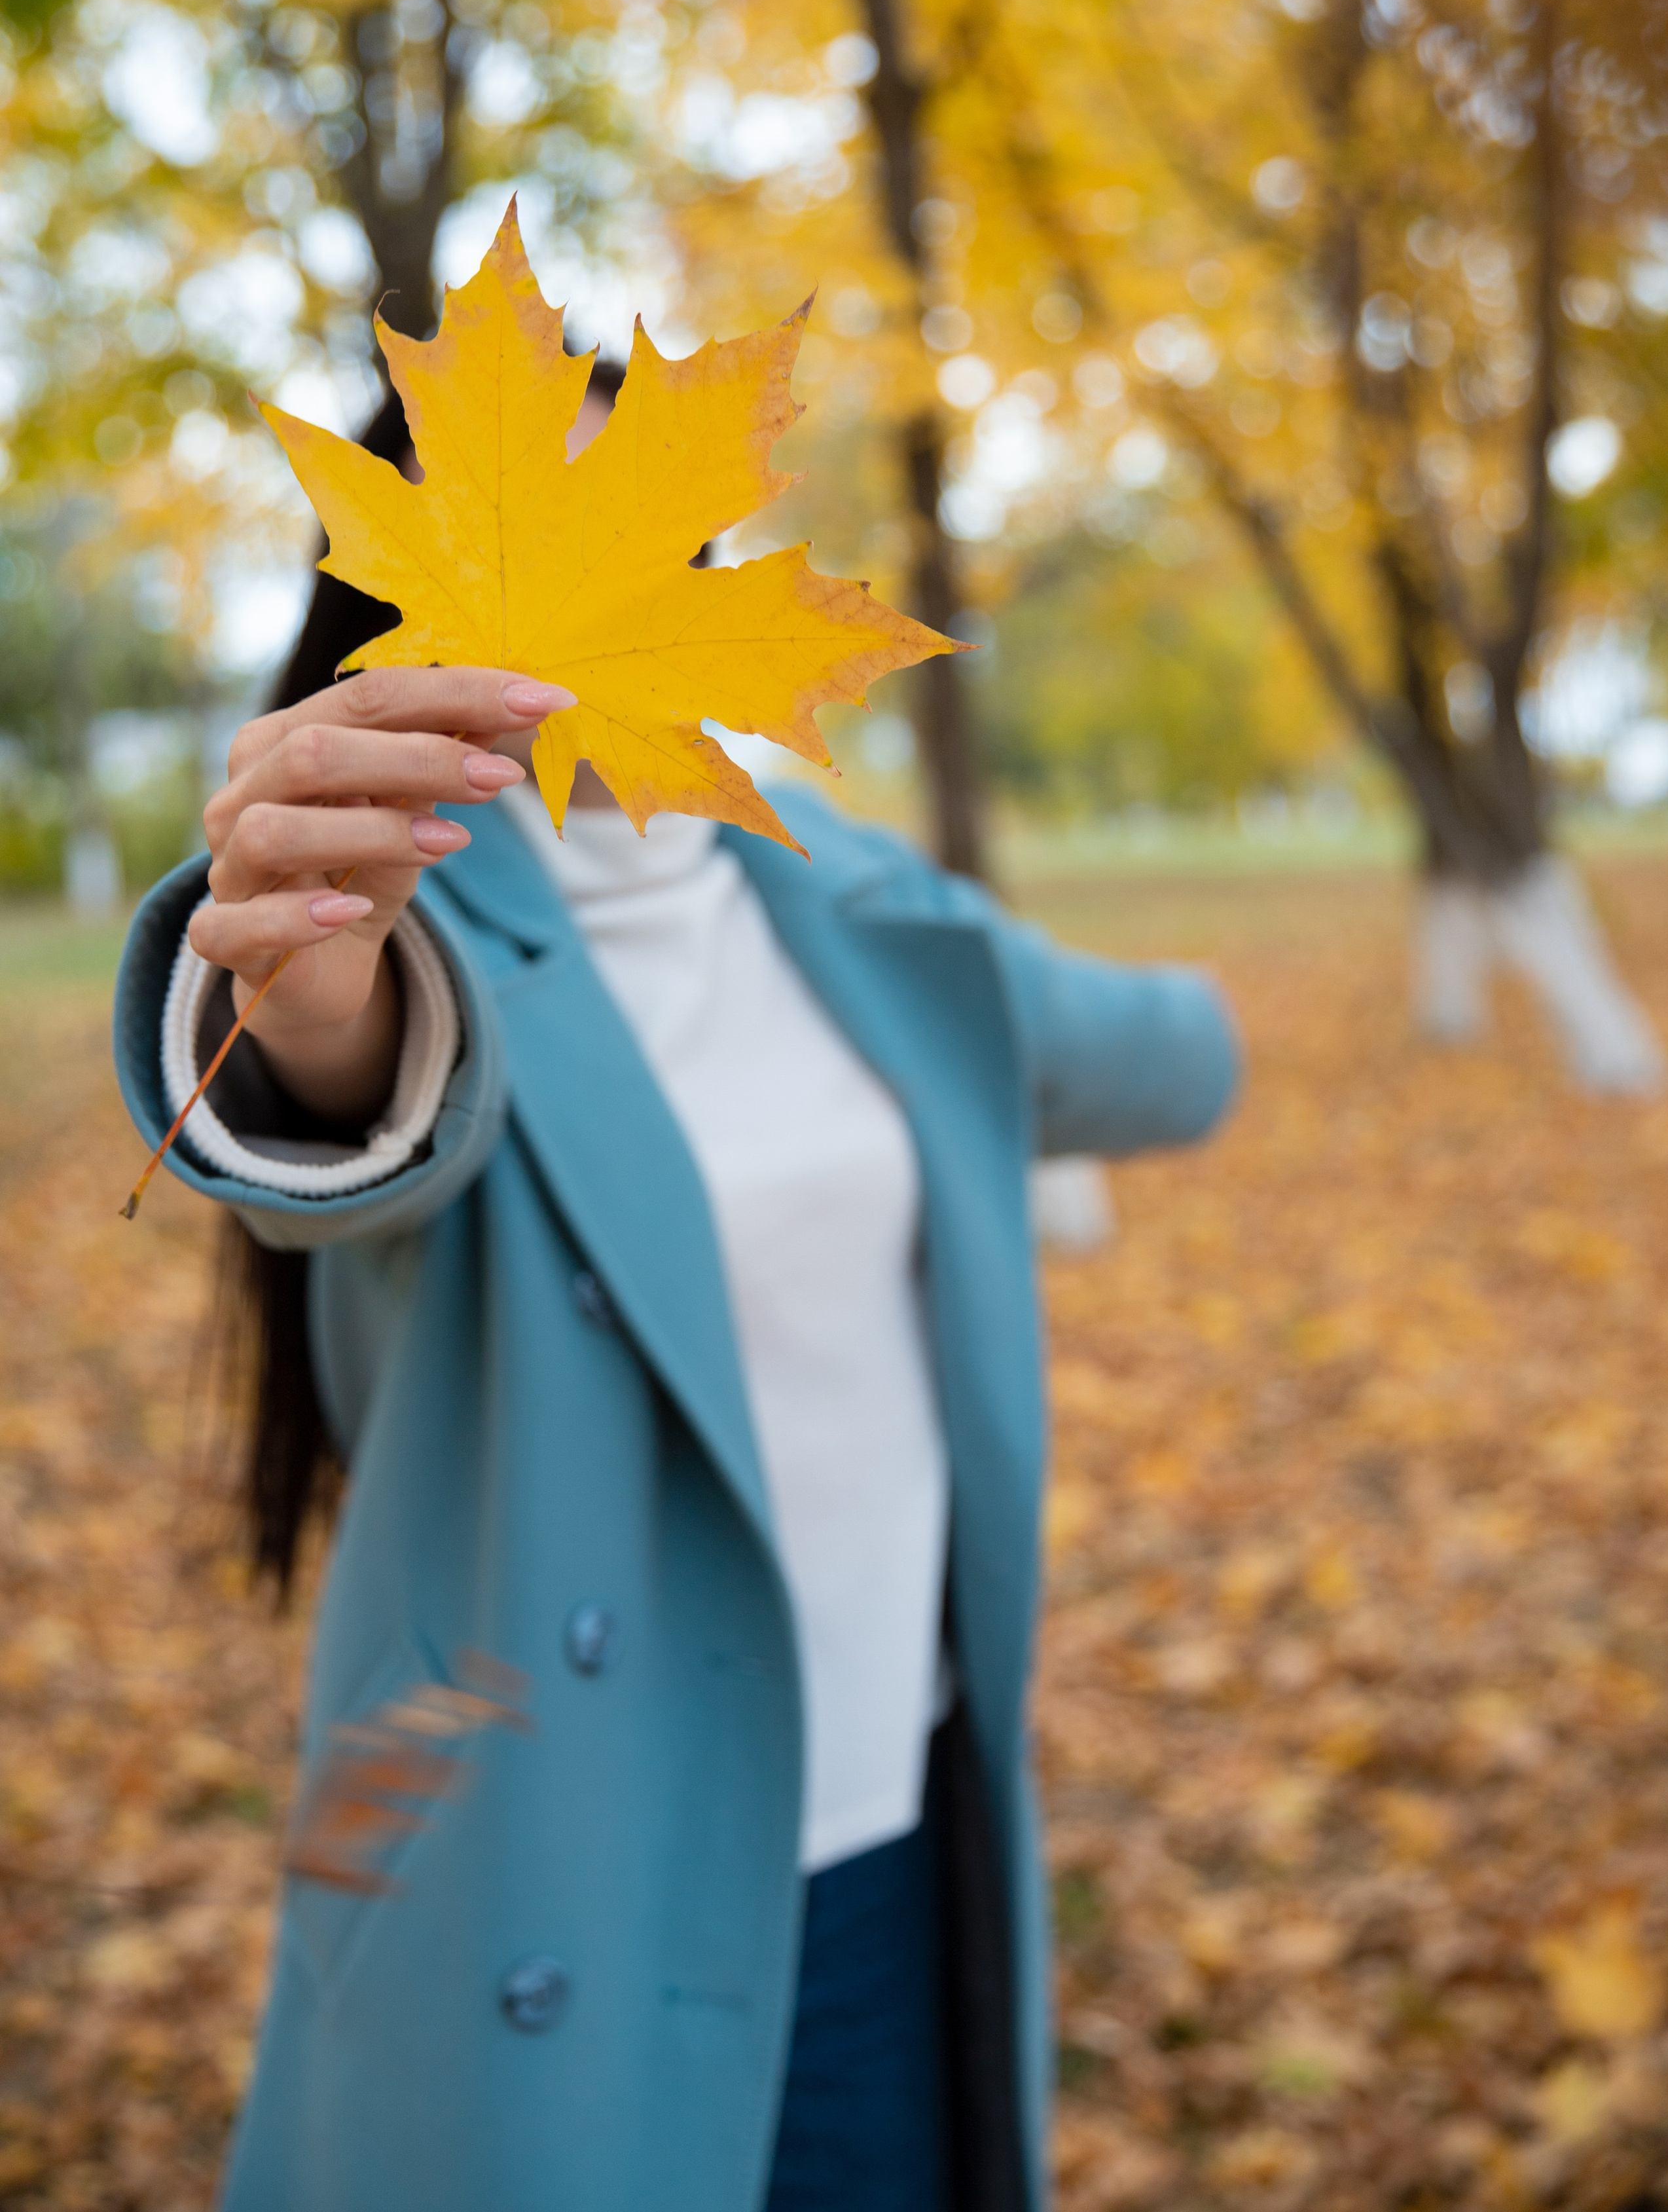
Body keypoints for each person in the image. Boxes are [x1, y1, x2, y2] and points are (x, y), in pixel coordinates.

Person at [112, 363, 1239, 2212]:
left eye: (630, 536)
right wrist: (303, 1008)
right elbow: (358, 1093)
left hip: (894, 1832)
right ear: (389, 604)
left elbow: (1168, 1059)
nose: (570, 594)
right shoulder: (397, 942)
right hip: (560, 1878)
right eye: (509, 544)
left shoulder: (852, 906)